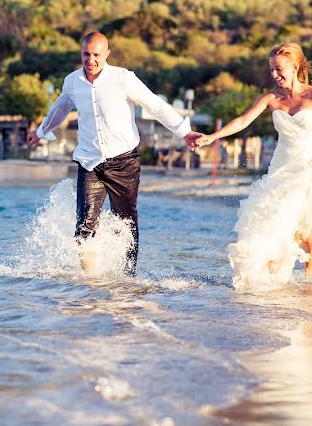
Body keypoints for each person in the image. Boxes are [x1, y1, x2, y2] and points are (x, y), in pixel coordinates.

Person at [28, 31, 202, 276]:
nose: (90, 60)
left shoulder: (123, 79)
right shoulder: (73, 82)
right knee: (84, 227)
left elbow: (156, 105)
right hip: (89, 162)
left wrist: (184, 132)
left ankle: (127, 276)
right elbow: (60, 108)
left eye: (96, 55)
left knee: (125, 221)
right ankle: (91, 282)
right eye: (86, 54)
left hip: (124, 162)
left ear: (107, 54)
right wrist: (41, 130)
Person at [196, 42, 312, 290]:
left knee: (303, 212)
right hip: (281, 165)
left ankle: (311, 253)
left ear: (294, 67)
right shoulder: (271, 98)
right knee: (273, 218)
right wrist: (213, 137)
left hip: (308, 162)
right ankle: (267, 276)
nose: (274, 75)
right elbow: (243, 120)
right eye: (271, 69)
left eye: (279, 69)